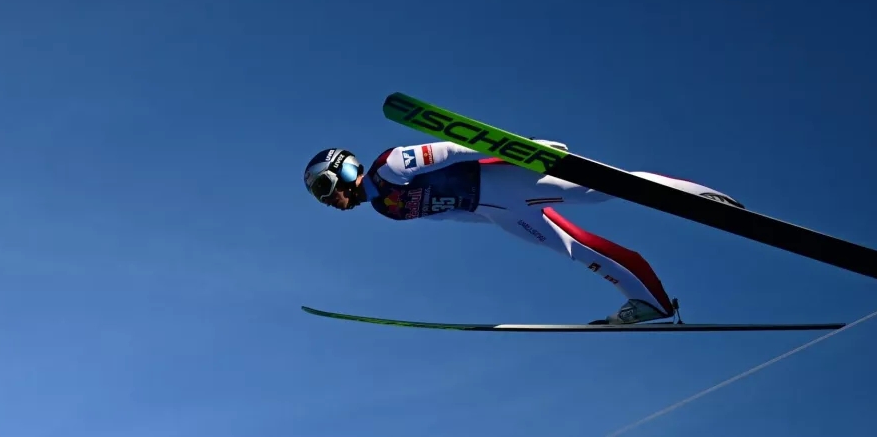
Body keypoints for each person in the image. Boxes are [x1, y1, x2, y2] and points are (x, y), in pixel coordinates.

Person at [303, 140, 744, 324]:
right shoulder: (388, 211)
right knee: (573, 248)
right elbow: (450, 214)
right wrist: (497, 219)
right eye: (318, 195)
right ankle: (651, 302)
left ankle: (700, 196)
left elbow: (455, 147)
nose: (327, 199)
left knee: (598, 191)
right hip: (496, 210)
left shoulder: (389, 167)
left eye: (324, 186)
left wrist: (529, 151)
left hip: (506, 179)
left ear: (345, 168)